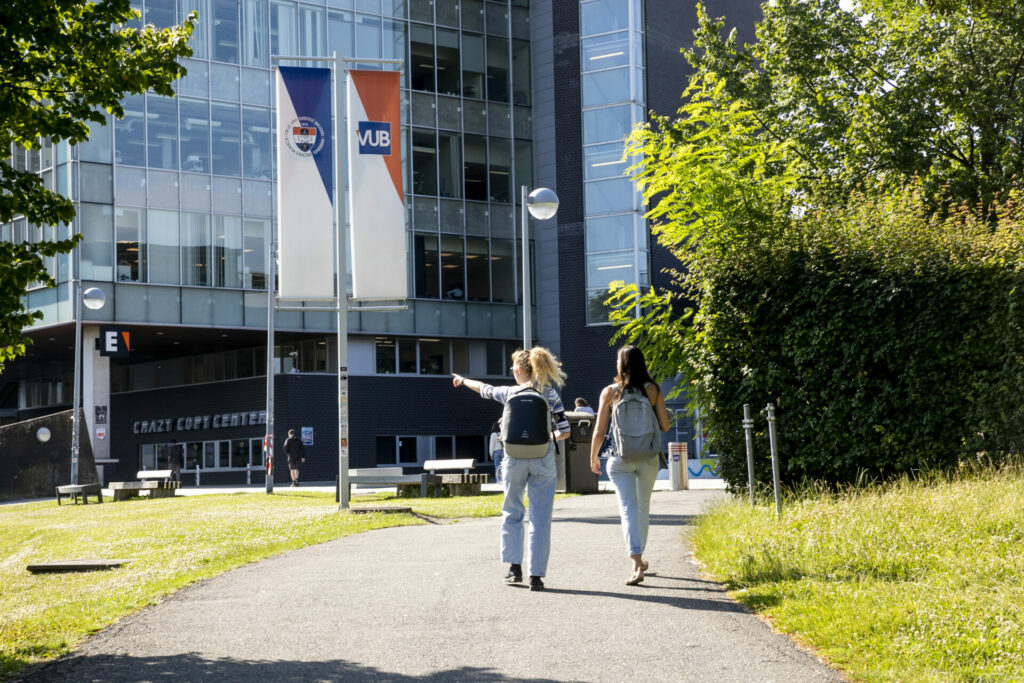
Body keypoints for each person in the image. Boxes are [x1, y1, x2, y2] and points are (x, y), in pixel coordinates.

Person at [452, 347, 570, 591]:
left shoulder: (508, 393)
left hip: (513, 457)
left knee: (512, 510)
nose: (511, 370)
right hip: (543, 458)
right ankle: (536, 576)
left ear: (519, 369)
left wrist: (463, 381)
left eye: (513, 366)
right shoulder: (550, 394)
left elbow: (483, 389)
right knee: (540, 518)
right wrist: (547, 438)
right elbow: (565, 430)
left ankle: (513, 568)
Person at [589, 345, 670, 586]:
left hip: (620, 458)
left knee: (627, 509)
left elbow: (600, 430)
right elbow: (665, 426)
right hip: (648, 457)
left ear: (621, 365)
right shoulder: (652, 390)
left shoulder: (610, 392)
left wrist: (592, 457)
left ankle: (636, 563)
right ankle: (639, 558)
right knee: (642, 507)